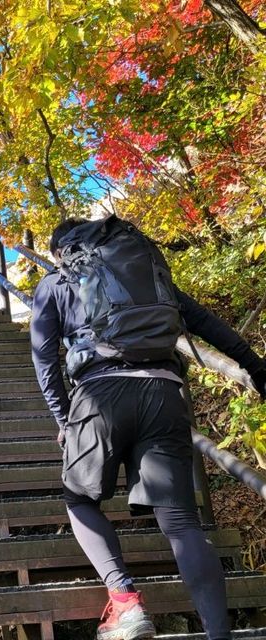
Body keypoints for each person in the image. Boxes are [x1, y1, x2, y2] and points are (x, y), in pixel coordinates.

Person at [30, 215, 266, 640]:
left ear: (60, 250)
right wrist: (254, 366)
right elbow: (204, 321)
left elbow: (44, 359)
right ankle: (219, 634)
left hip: (99, 394)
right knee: (181, 522)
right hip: (164, 392)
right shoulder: (146, 272)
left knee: (80, 499)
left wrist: (64, 419)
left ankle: (125, 601)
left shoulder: (55, 282)